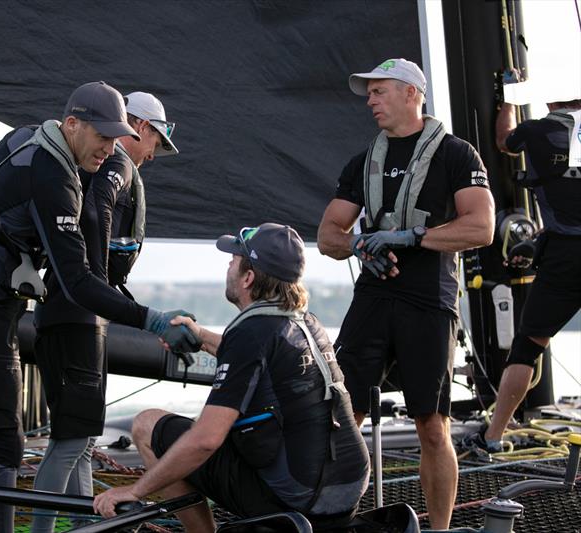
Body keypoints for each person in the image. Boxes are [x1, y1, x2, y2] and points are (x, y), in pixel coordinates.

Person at [0, 81, 198, 533]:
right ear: (72, 124)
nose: (111, 149)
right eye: (103, 137)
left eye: (117, 138)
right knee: (3, 444)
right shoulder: (56, 178)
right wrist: (150, 320)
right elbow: (76, 282)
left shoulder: (24, 136)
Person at [93, 223, 370, 532]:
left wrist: (134, 491)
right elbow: (251, 356)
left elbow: (206, 441)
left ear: (248, 277)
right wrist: (198, 335)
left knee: (147, 425)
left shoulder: (251, 333)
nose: (228, 265)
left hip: (299, 505)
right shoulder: (306, 323)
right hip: (347, 494)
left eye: (234, 259)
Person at [317, 58, 495, 529]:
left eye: (380, 91)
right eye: (369, 93)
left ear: (413, 93)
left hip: (428, 302)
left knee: (431, 428)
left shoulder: (457, 155)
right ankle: (331, 520)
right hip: (373, 299)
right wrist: (358, 243)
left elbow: (482, 227)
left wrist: (412, 237)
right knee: (341, 419)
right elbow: (326, 236)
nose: (371, 100)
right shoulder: (362, 162)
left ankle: (437, 530)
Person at [30, 91, 179, 533]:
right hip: (77, 315)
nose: (151, 155)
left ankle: (88, 529)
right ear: (144, 129)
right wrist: (97, 284)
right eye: (155, 144)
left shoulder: (94, 164)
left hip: (69, 313)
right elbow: (94, 214)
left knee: (80, 439)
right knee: (70, 441)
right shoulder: (118, 164)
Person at [463, 76, 581, 455]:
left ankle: (493, 437)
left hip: (565, 256)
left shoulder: (536, 130)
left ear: (550, 101)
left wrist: (509, 100)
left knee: (527, 346)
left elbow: (505, 142)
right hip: (558, 244)